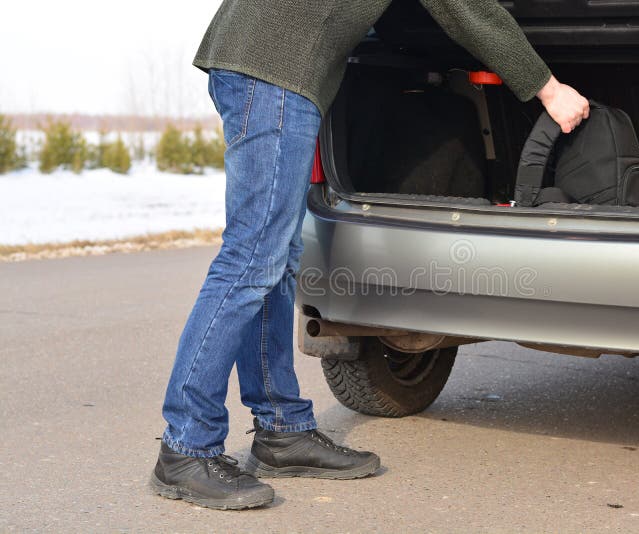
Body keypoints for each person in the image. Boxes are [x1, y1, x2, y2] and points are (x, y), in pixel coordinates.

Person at [151, 0, 591, 511]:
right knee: (251, 261)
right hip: (274, 72)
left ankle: (281, 428)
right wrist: (548, 87)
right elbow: (464, 6)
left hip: (272, 67)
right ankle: (186, 445)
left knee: (273, 264)